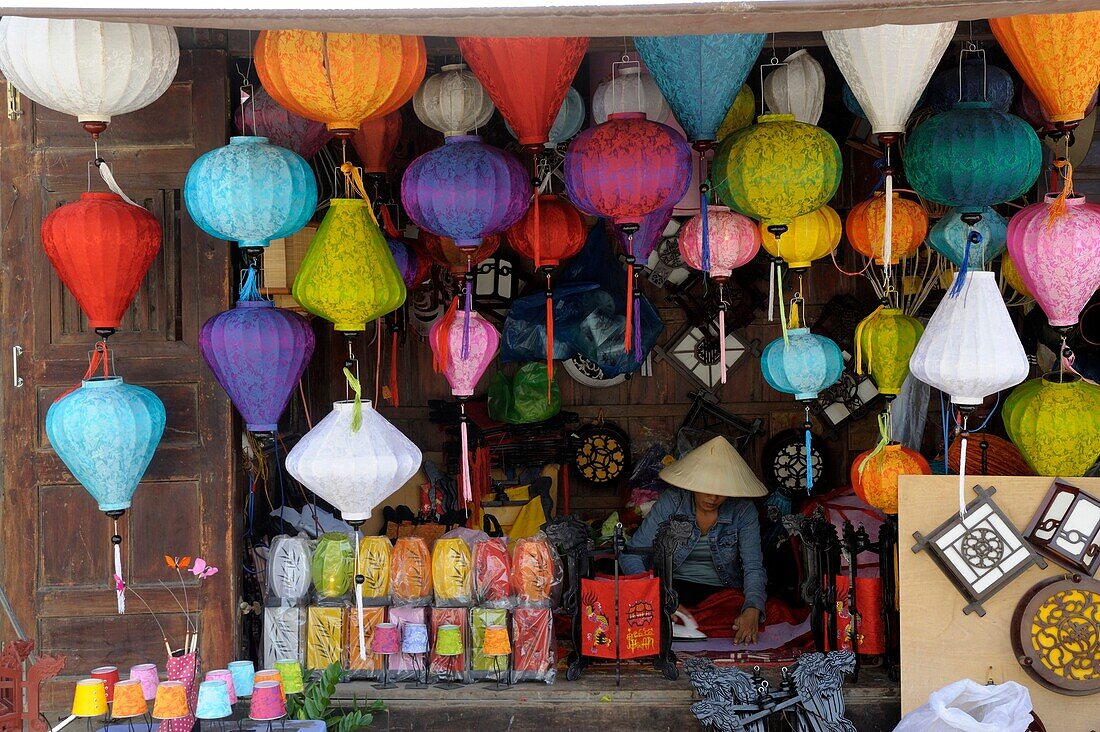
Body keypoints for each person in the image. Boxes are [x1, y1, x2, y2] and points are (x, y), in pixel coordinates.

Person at [620, 436, 767, 644]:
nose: (713, 498)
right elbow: (632, 554)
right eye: (706, 488)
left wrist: (753, 608)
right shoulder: (673, 500)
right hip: (672, 589)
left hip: (721, 596)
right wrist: (656, 595)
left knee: (756, 615)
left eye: (720, 491)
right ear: (693, 483)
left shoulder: (743, 511)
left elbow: (754, 567)